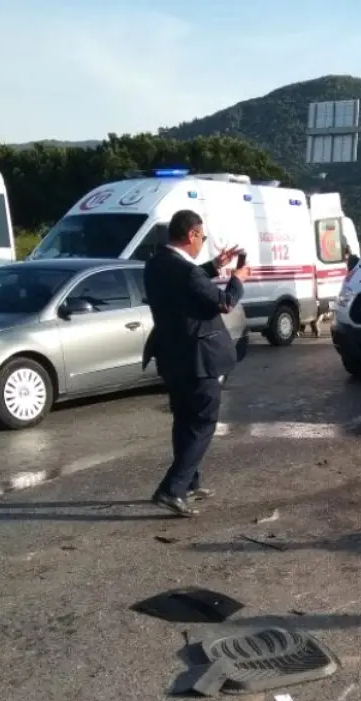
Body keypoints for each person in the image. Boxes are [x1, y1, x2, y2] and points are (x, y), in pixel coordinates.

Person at [142, 210, 248, 517]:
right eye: (202, 237)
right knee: (202, 423)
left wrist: (215, 266)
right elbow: (225, 302)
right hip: (199, 360)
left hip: (171, 356)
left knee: (184, 421)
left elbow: (187, 281)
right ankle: (172, 489)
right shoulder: (187, 272)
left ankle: (189, 482)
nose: (203, 243)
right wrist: (237, 280)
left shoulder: (156, 264)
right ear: (191, 235)